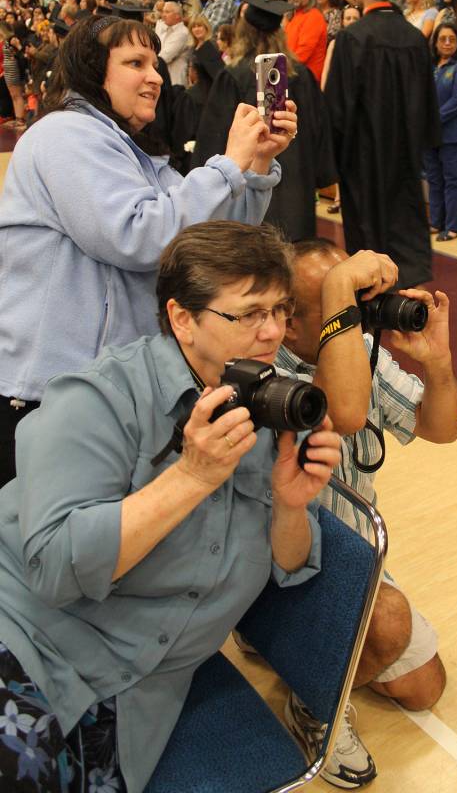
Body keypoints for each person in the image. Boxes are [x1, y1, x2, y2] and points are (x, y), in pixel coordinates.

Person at [0, 219, 341, 792]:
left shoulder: (274, 405)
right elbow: (56, 570)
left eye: (281, 311)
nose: (274, 333)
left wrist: (289, 504)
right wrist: (190, 476)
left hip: (137, 694)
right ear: (183, 319)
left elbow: (291, 567)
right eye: (249, 314)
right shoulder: (98, 399)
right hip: (30, 639)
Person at [0, 15, 296, 486]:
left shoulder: (132, 153)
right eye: (135, 62)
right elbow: (138, 236)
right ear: (93, 70)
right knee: (60, 550)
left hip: (109, 390)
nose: (156, 76)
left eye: (156, 63)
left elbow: (207, 248)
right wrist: (228, 163)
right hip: (51, 396)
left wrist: (257, 163)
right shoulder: (64, 135)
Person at [278, 240, 457, 787]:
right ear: (288, 324)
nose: (356, 319)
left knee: (425, 688)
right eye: (340, 304)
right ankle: (312, 705)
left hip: (355, 554)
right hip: (287, 561)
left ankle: (308, 654)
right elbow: (346, 411)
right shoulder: (272, 373)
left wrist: (438, 364)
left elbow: (441, 427)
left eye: (359, 302)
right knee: (389, 622)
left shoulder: (360, 350)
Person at [325, 0, 440, 287]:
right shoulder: (414, 38)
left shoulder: (352, 38)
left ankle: (373, 295)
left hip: (364, 157)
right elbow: (427, 99)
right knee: (406, 217)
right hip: (405, 153)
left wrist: (332, 159)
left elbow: (338, 108)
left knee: (368, 227)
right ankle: (411, 287)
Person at [192, 0, 336, 242]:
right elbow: (319, 133)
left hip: (249, 193)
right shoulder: (301, 76)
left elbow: (214, 139)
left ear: (242, 32)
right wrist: (319, 176)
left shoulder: (234, 75)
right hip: (296, 188)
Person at [424, 20, 457, 239]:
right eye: (442, 39)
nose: (447, 43)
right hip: (429, 134)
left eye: (452, 39)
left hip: (454, 134)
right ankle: (436, 222)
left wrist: (433, 119)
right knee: (434, 179)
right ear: (435, 43)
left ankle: (453, 226)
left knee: (453, 179)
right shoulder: (430, 68)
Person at [284, 0, 328, 83]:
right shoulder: (291, 17)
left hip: (306, 84)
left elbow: (301, 56)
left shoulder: (314, 17)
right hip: (293, 77)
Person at [155, 0, 191, 86]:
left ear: (177, 15)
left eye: (167, 12)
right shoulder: (163, 28)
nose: (163, 15)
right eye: (163, 12)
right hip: (163, 77)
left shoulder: (182, 33)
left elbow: (165, 57)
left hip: (175, 81)